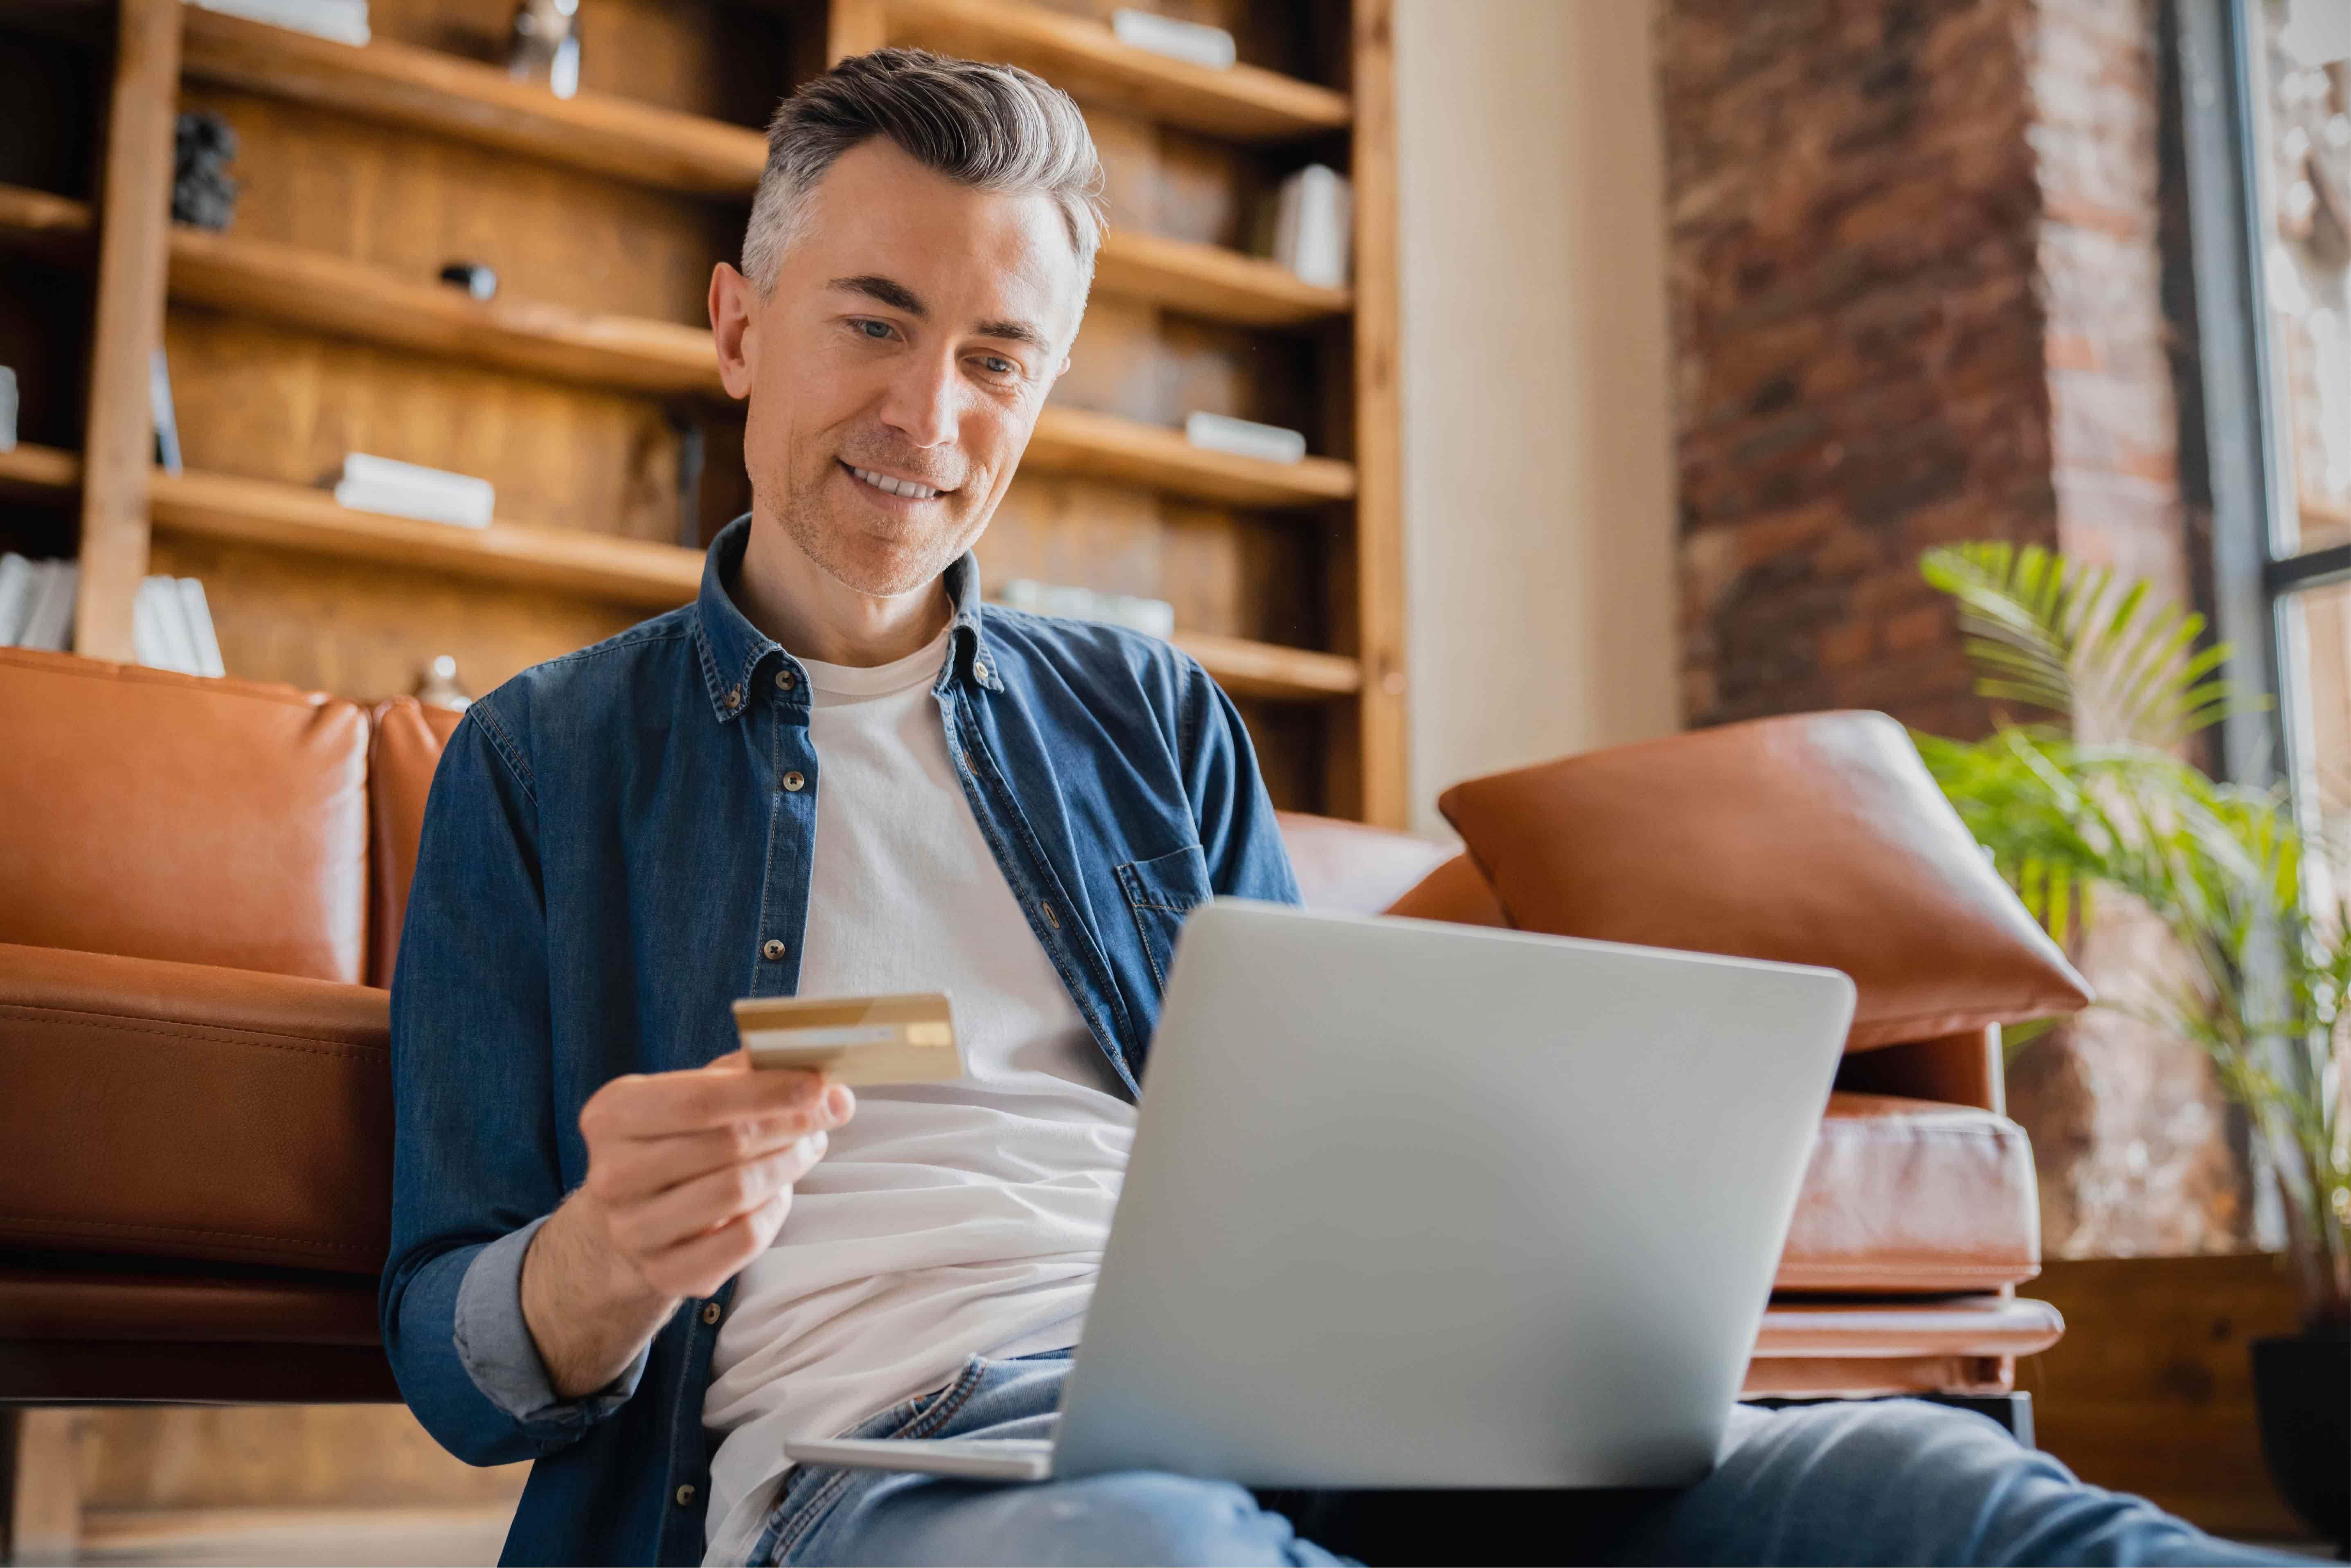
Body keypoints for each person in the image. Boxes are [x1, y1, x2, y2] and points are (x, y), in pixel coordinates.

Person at [383, 47, 2305, 1568]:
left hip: (1302, 1408)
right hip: (899, 1458)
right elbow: (452, 1346)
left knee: (1927, 1494)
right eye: (872, 322)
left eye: (997, 360)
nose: (931, 417)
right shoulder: (544, 762)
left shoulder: (1149, 712)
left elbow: (1311, 1141)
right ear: (740, 325)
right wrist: (601, 1263)